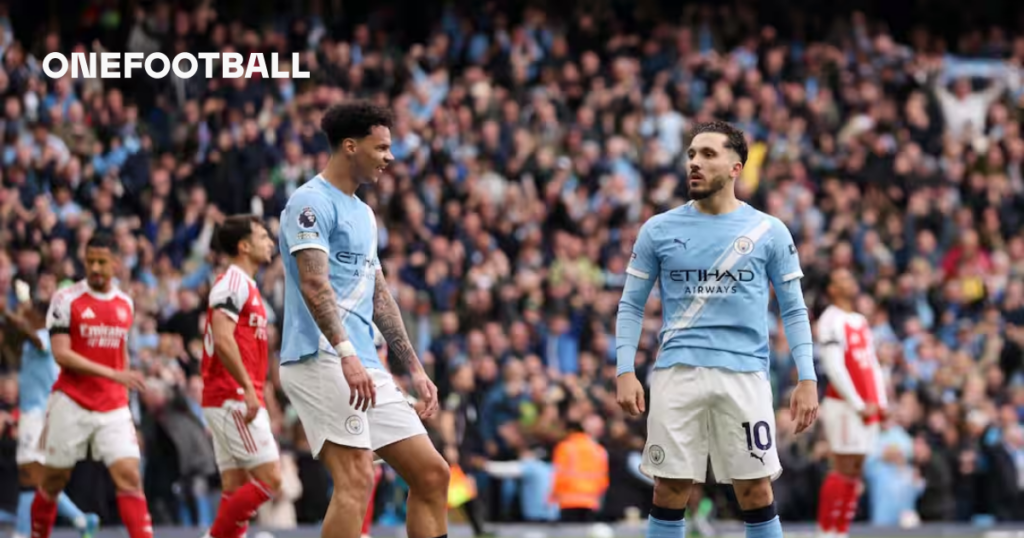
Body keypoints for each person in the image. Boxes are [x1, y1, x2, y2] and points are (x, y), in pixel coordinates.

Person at [615, 120, 819, 538]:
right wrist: (624, 370)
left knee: (755, 490)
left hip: (745, 374)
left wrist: (807, 377)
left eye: (708, 154)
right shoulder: (659, 229)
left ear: (735, 167)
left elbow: (794, 309)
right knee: (669, 488)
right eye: (691, 154)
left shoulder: (769, 231)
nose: (695, 162)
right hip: (677, 373)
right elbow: (631, 305)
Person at [276, 100, 450, 538]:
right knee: (356, 478)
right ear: (350, 147)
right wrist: (348, 354)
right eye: (382, 147)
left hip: (363, 362)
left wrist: (413, 366)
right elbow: (315, 285)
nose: (390, 157)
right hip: (321, 357)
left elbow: (379, 293)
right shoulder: (310, 202)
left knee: (432, 474)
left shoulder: (365, 213)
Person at [31, 232, 153, 538]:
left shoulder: (125, 303)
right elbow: (61, 353)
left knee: (129, 477)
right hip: (71, 401)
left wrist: (124, 398)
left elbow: (120, 353)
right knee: (54, 480)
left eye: (102, 261)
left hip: (112, 407)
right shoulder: (66, 299)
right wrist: (114, 375)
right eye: (90, 261)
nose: (95, 267)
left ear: (116, 263)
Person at [200, 215, 283, 538]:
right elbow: (222, 339)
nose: (270, 243)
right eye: (263, 237)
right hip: (231, 395)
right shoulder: (232, 284)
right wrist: (248, 388)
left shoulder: (247, 286)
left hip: (233, 394)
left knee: (236, 487)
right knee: (270, 479)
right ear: (244, 246)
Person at [3, 291, 100, 538]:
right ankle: (81, 519)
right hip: (37, 414)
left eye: (29, 312)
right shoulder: (28, 342)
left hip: (40, 415)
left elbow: (33, 337)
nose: (24, 316)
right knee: (38, 475)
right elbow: (16, 338)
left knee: (30, 474)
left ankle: (23, 533)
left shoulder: (47, 336)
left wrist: (6, 311)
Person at [815, 268, 888, 538]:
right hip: (844, 405)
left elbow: (871, 363)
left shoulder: (859, 320)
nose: (849, 282)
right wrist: (858, 404)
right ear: (832, 289)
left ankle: (841, 530)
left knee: (856, 469)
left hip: (867, 406)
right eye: (841, 279)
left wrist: (880, 401)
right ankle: (825, 531)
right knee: (842, 465)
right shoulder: (829, 320)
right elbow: (834, 368)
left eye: (850, 277)